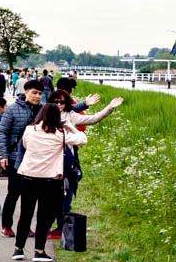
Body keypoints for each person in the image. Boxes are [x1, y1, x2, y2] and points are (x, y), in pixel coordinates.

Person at [12, 102, 87, 262]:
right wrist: (70, 127)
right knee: (44, 216)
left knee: (25, 215)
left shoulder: (29, 130)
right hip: (50, 181)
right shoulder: (60, 134)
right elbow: (82, 139)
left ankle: (18, 249)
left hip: (28, 178)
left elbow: (25, 145)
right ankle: (39, 251)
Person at [47, 90, 124, 239]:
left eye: (62, 102)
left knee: (65, 195)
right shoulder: (45, 114)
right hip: (48, 161)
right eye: (55, 102)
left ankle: (61, 227)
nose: (58, 105)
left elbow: (93, 119)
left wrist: (109, 108)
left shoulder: (71, 116)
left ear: (66, 103)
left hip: (66, 161)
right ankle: (46, 226)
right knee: (49, 197)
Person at [0, 79, 44, 237]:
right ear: (26, 92)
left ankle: (25, 227)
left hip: (34, 159)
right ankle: (7, 225)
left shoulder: (43, 110)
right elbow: (2, 132)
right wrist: (3, 154)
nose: (37, 96)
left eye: (40, 94)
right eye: (34, 93)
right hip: (14, 157)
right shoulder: (12, 110)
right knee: (13, 193)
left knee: (30, 196)